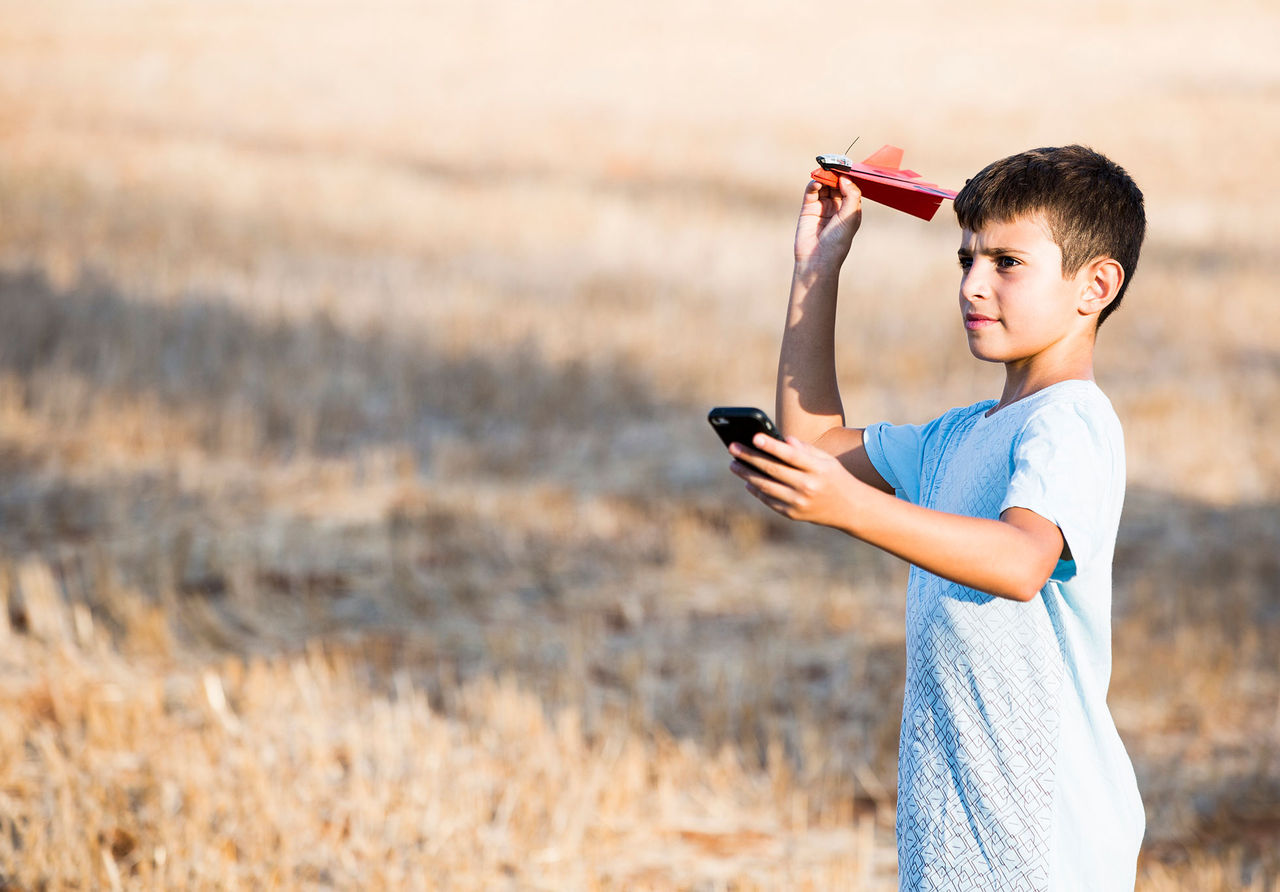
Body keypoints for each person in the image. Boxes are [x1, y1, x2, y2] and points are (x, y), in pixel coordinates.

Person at [727, 145, 1147, 889]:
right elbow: (816, 446)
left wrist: (849, 507)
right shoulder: (957, 436)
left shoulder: (1071, 422)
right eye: (966, 260)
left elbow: (1022, 561)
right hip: (953, 826)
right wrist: (817, 268)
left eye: (1007, 263)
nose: (973, 285)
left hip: (1043, 841)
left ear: (1096, 285)